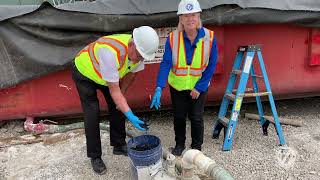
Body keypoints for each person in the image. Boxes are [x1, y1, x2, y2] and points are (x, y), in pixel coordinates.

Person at [72, 26, 159, 174]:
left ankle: (119, 145)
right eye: (139, 56)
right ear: (132, 44)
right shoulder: (110, 52)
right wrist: (130, 115)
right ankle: (95, 157)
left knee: (118, 104)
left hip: (107, 74)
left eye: (143, 57)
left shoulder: (140, 52)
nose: (141, 59)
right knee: (92, 113)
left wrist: (122, 95)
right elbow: (113, 89)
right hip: (85, 72)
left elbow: (132, 74)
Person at [150, 0, 218, 156]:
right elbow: (166, 63)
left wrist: (199, 87)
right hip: (178, 86)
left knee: (196, 117)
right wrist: (159, 86)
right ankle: (179, 145)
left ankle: (196, 147)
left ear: (198, 16)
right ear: (180, 19)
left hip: (198, 87)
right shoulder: (173, 38)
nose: (190, 19)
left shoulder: (209, 37)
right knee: (179, 117)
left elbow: (212, 64)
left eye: (193, 15)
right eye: (186, 16)